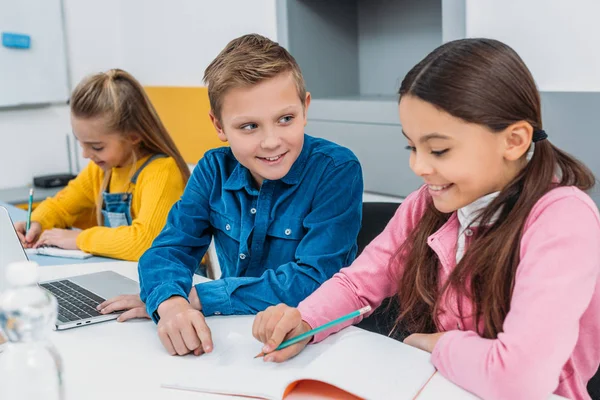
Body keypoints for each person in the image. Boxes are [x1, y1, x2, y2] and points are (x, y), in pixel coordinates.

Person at [252, 38, 600, 400]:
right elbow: (358, 285)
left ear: (513, 141)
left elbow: (519, 378)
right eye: (412, 147)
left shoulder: (562, 219)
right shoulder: (428, 204)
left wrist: (440, 345)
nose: (418, 166)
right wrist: (307, 320)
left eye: (438, 150)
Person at [98, 34, 363, 357]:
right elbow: (168, 248)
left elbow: (312, 281)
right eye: (249, 126)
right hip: (234, 336)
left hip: (316, 342)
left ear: (304, 109)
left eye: (285, 119)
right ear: (219, 125)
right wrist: (169, 301)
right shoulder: (213, 169)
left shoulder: (337, 170)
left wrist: (196, 297)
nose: (271, 142)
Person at [14, 69, 189, 261]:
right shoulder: (101, 170)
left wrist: (80, 238)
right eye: (81, 143)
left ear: (134, 136)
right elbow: (61, 206)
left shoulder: (162, 172)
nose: (85, 154)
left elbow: (145, 242)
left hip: (178, 283)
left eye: (96, 146)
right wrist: (37, 222)